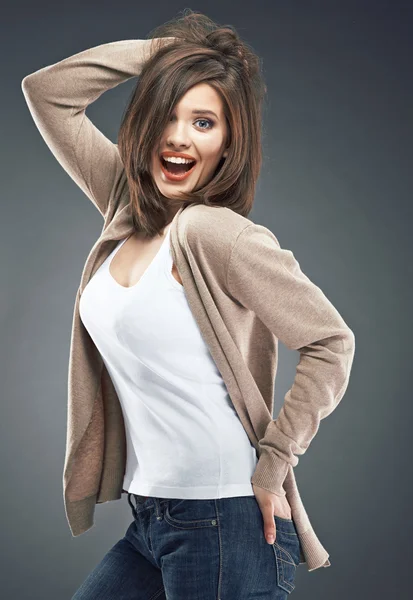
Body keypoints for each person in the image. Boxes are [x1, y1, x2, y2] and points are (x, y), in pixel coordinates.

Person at [21, 9, 355, 599]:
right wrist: (166, 56)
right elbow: (47, 94)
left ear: (228, 144)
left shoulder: (214, 233)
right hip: (151, 518)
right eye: (167, 117)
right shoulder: (125, 206)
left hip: (224, 521)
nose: (178, 137)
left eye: (203, 122)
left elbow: (331, 341)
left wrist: (275, 462)